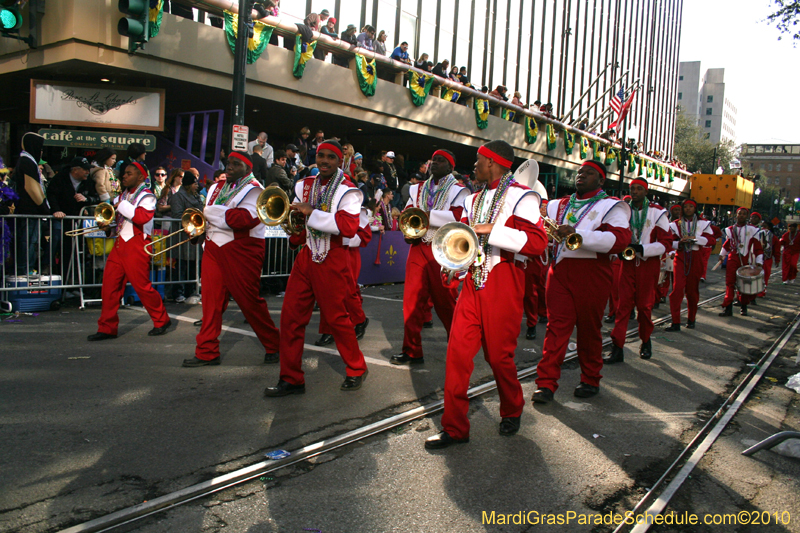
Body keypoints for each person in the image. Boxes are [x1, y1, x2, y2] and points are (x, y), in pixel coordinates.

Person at [424, 141, 547, 449]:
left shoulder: (523, 196)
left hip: (504, 281)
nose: (474, 166)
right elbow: (465, 240)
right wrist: (454, 266)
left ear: (492, 162)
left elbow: (537, 243)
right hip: (473, 285)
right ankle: (454, 427)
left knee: (498, 357)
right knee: (457, 356)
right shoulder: (474, 198)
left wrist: (494, 230)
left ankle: (512, 407)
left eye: (478, 161)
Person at [264, 139, 368, 395]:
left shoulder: (349, 190)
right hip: (307, 255)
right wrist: (295, 226)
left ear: (339, 161)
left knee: (336, 318)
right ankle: (291, 378)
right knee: (290, 318)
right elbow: (298, 217)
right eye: (320, 156)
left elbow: (347, 227)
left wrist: (311, 213)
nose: (324, 161)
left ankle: (357, 367)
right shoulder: (304, 184)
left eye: (330, 157)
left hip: (333, 258)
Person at [532, 161, 631, 403]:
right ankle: (545, 384)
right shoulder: (558, 204)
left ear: (601, 181)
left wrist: (578, 235)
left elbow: (619, 240)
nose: (581, 176)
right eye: (579, 172)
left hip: (593, 273)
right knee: (556, 329)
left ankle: (590, 378)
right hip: (560, 270)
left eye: (589, 173)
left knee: (589, 330)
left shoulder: (612, 206)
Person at [183, 151, 281, 367]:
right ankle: (206, 351)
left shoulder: (256, 190)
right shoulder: (216, 187)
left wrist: (208, 213)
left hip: (242, 250)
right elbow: (225, 217)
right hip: (213, 247)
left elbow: (242, 219)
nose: (230, 167)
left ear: (248, 168)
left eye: (236, 164)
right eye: (229, 163)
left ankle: (274, 343)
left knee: (249, 302)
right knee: (210, 303)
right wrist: (202, 226)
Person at [392, 149, 468, 365]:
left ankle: (458, 348)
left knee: (446, 303)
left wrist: (427, 216)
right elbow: (408, 211)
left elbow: (457, 217)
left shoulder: (458, 190)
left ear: (450, 166)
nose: (435, 163)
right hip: (419, 247)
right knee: (412, 301)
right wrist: (407, 231)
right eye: (433, 159)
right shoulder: (418, 188)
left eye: (440, 160)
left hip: (443, 249)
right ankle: (412, 351)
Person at [87, 162, 171, 341]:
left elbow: (141, 217)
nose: (124, 176)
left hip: (137, 245)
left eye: (129, 173)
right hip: (120, 244)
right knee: (109, 287)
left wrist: (119, 204)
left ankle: (161, 319)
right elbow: (119, 223)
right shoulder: (123, 196)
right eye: (124, 173)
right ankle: (107, 328)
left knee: (142, 287)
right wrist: (107, 227)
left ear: (140, 177)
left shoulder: (147, 196)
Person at [604, 178, 672, 363]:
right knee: (622, 306)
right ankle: (617, 348)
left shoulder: (658, 213)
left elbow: (666, 243)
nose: (634, 192)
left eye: (639, 189)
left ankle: (646, 340)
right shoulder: (623, 210)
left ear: (646, 192)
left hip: (648, 264)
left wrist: (643, 249)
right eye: (632, 188)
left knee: (644, 307)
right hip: (627, 263)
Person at [315, 204, 372, 346]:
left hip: (348, 252)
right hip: (327, 249)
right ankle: (328, 330)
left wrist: (342, 237)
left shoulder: (355, 205)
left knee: (348, 290)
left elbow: (365, 235)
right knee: (326, 292)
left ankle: (359, 320)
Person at [663, 199, 715, 332]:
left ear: (695, 208)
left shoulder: (704, 224)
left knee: (692, 291)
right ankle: (675, 322)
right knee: (677, 289)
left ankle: (691, 319)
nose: (688, 209)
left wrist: (696, 239)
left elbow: (711, 240)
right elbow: (670, 241)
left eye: (691, 206)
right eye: (685, 207)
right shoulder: (675, 224)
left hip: (695, 257)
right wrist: (679, 243)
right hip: (680, 257)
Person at [12, 132, 50, 274]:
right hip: (30, 211)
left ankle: (26, 269)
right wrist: (44, 207)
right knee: (28, 242)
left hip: (30, 211)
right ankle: (24, 270)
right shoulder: (27, 161)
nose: (41, 152)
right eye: (40, 148)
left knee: (30, 242)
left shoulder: (26, 160)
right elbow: (32, 187)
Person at [718, 207, 763, 317]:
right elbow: (727, 243)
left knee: (745, 283)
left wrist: (759, 261)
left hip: (745, 258)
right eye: (739, 213)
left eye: (744, 214)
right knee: (730, 283)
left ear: (747, 216)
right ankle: (728, 308)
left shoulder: (753, 230)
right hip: (733, 258)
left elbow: (757, 247)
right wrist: (722, 254)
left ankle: (744, 306)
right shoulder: (730, 229)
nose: (741, 215)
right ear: (736, 215)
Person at [168, 170, 204, 303]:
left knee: (194, 265)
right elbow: (177, 215)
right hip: (182, 235)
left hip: (195, 235)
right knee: (181, 266)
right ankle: (178, 293)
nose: (197, 186)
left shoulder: (196, 196)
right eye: (194, 183)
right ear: (188, 184)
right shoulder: (178, 196)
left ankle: (191, 291)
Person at [523, 199, 550, 339]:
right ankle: (532, 321)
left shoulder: (547, 220)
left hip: (539, 259)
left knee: (538, 289)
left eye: (545, 207)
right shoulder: (526, 218)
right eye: (542, 207)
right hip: (527, 258)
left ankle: (539, 316)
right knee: (528, 292)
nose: (543, 210)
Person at [755, 220, 780, 296]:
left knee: (765, 276)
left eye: (764, 226)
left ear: (768, 228)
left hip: (767, 259)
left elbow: (777, 250)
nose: (762, 228)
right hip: (756, 259)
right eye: (761, 226)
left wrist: (777, 260)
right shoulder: (757, 235)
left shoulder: (774, 238)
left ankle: (762, 290)